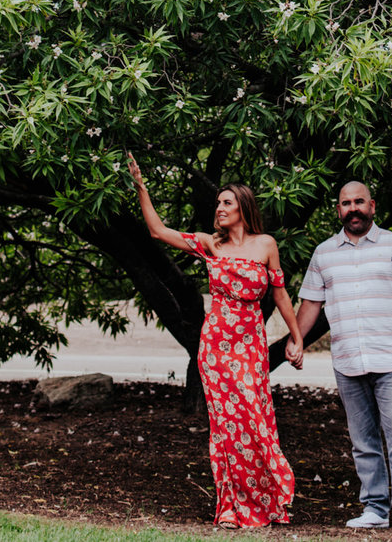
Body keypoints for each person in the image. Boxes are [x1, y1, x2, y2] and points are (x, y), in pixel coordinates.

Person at [127, 153, 304, 528]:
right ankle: (230, 507)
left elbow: (281, 295)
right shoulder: (211, 244)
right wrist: (142, 187)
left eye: (227, 202)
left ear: (244, 206)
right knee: (226, 426)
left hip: (251, 346)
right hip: (216, 347)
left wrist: (297, 338)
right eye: (218, 203)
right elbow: (159, 231)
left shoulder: (266, 245)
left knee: (256, 420)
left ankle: (268, 502)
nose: (220, 208)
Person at [292, 180, 392, 534]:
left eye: (358, 202)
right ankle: (375, 508)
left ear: (372, 206)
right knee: (362, 440)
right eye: (345, 203)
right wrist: (297, 340)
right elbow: (311, 303)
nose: (352, 208)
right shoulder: (324, 253)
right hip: (348, 361)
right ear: (338, 210)